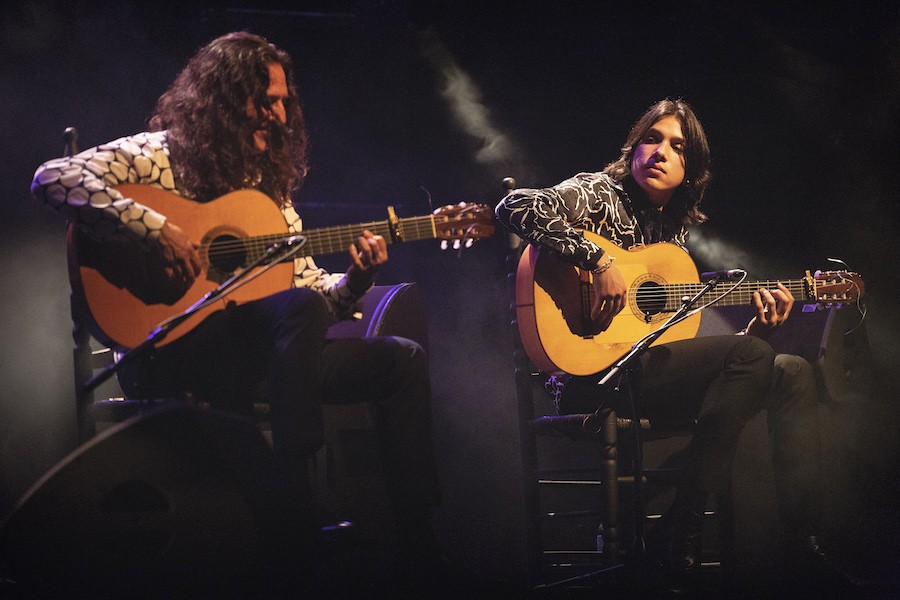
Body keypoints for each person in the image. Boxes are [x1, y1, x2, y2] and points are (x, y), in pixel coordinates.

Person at [31, 31, 441, 594]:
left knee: (401, 359)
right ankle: (298, 499)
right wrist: (155, 230)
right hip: (170, 352)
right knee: (295, 312)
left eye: (283, 102)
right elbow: (54, 177)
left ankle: (425, 549)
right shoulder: (161, 155)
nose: (278, 115)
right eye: (264, 100)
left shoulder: (269, 193)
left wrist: (356, 281)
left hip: (264, 361)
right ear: (222, 100)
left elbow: (310, 298)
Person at [495, 99, 853, 591]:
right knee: (753, 358)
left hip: (646, 373)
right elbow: (515, 205)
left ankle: (802, 549)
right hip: (589, 379)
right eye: (652, 138)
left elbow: (667, 338)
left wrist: (759, 335)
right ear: (634, 147)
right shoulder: (597, 193)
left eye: (677, 147)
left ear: (691, 171)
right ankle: (682, 527)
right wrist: (598, 261)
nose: (660, 151)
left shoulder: (674, 239)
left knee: (792, 371)